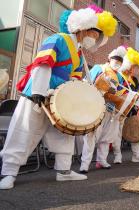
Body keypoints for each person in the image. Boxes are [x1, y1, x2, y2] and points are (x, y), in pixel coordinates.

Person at [0, 5, 117, 189]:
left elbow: (74, 80)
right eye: (95, 34)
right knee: (24, 131)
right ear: (83, 28)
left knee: (65, 134)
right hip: (36, 95)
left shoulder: (79, 54)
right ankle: (8, 173)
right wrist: (38, 91)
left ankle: (64, 171)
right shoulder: (57, 39)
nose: (95, 39)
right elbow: (43, 64)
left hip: (59, 101)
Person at [80, 45, 127, 173]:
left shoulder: (121, 76)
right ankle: (85, 164)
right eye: (115, 60)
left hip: (111, 108)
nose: (117, 63)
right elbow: (86, 82)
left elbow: (122, 91)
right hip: (95, 105)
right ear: (109, 59)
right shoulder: (99, 68)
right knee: (91, 134)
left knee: (107, 135)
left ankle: (102, 160)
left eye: (120, 61)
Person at [118, 47, 139, 163]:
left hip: (132, 110)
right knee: (116, 135)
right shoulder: (119, 77)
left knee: (136, 131)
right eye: (134, 66)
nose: (136, 69)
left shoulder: (135, 81)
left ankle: (137, 155)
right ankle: (116, 157)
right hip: (119, 110)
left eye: (137, 67)